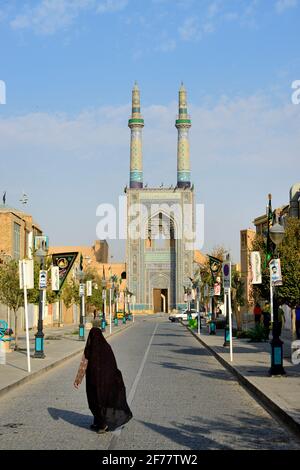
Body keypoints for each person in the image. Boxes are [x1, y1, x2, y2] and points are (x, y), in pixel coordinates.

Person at [73, 325, 132, 434]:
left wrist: (78, 380)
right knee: (100, 402)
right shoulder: (106, 347)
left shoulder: (89, 350)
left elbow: (83, 365)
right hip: (105, 383)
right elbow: (113, 366)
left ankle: (103, 424)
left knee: (96, 401)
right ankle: (98, 422)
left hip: (94, 383)